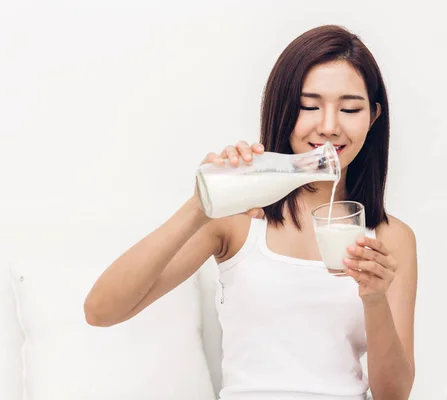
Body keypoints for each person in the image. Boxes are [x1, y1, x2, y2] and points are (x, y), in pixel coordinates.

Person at [84, 24, 417, 400]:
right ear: (282, 109)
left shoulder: (391, 238)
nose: (329, 126)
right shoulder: (239, 218)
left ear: (373, 116)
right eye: (309, 106)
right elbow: (101, 310)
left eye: (350, 108)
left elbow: (394, 395)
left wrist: (374, 298)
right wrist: (201, 203)